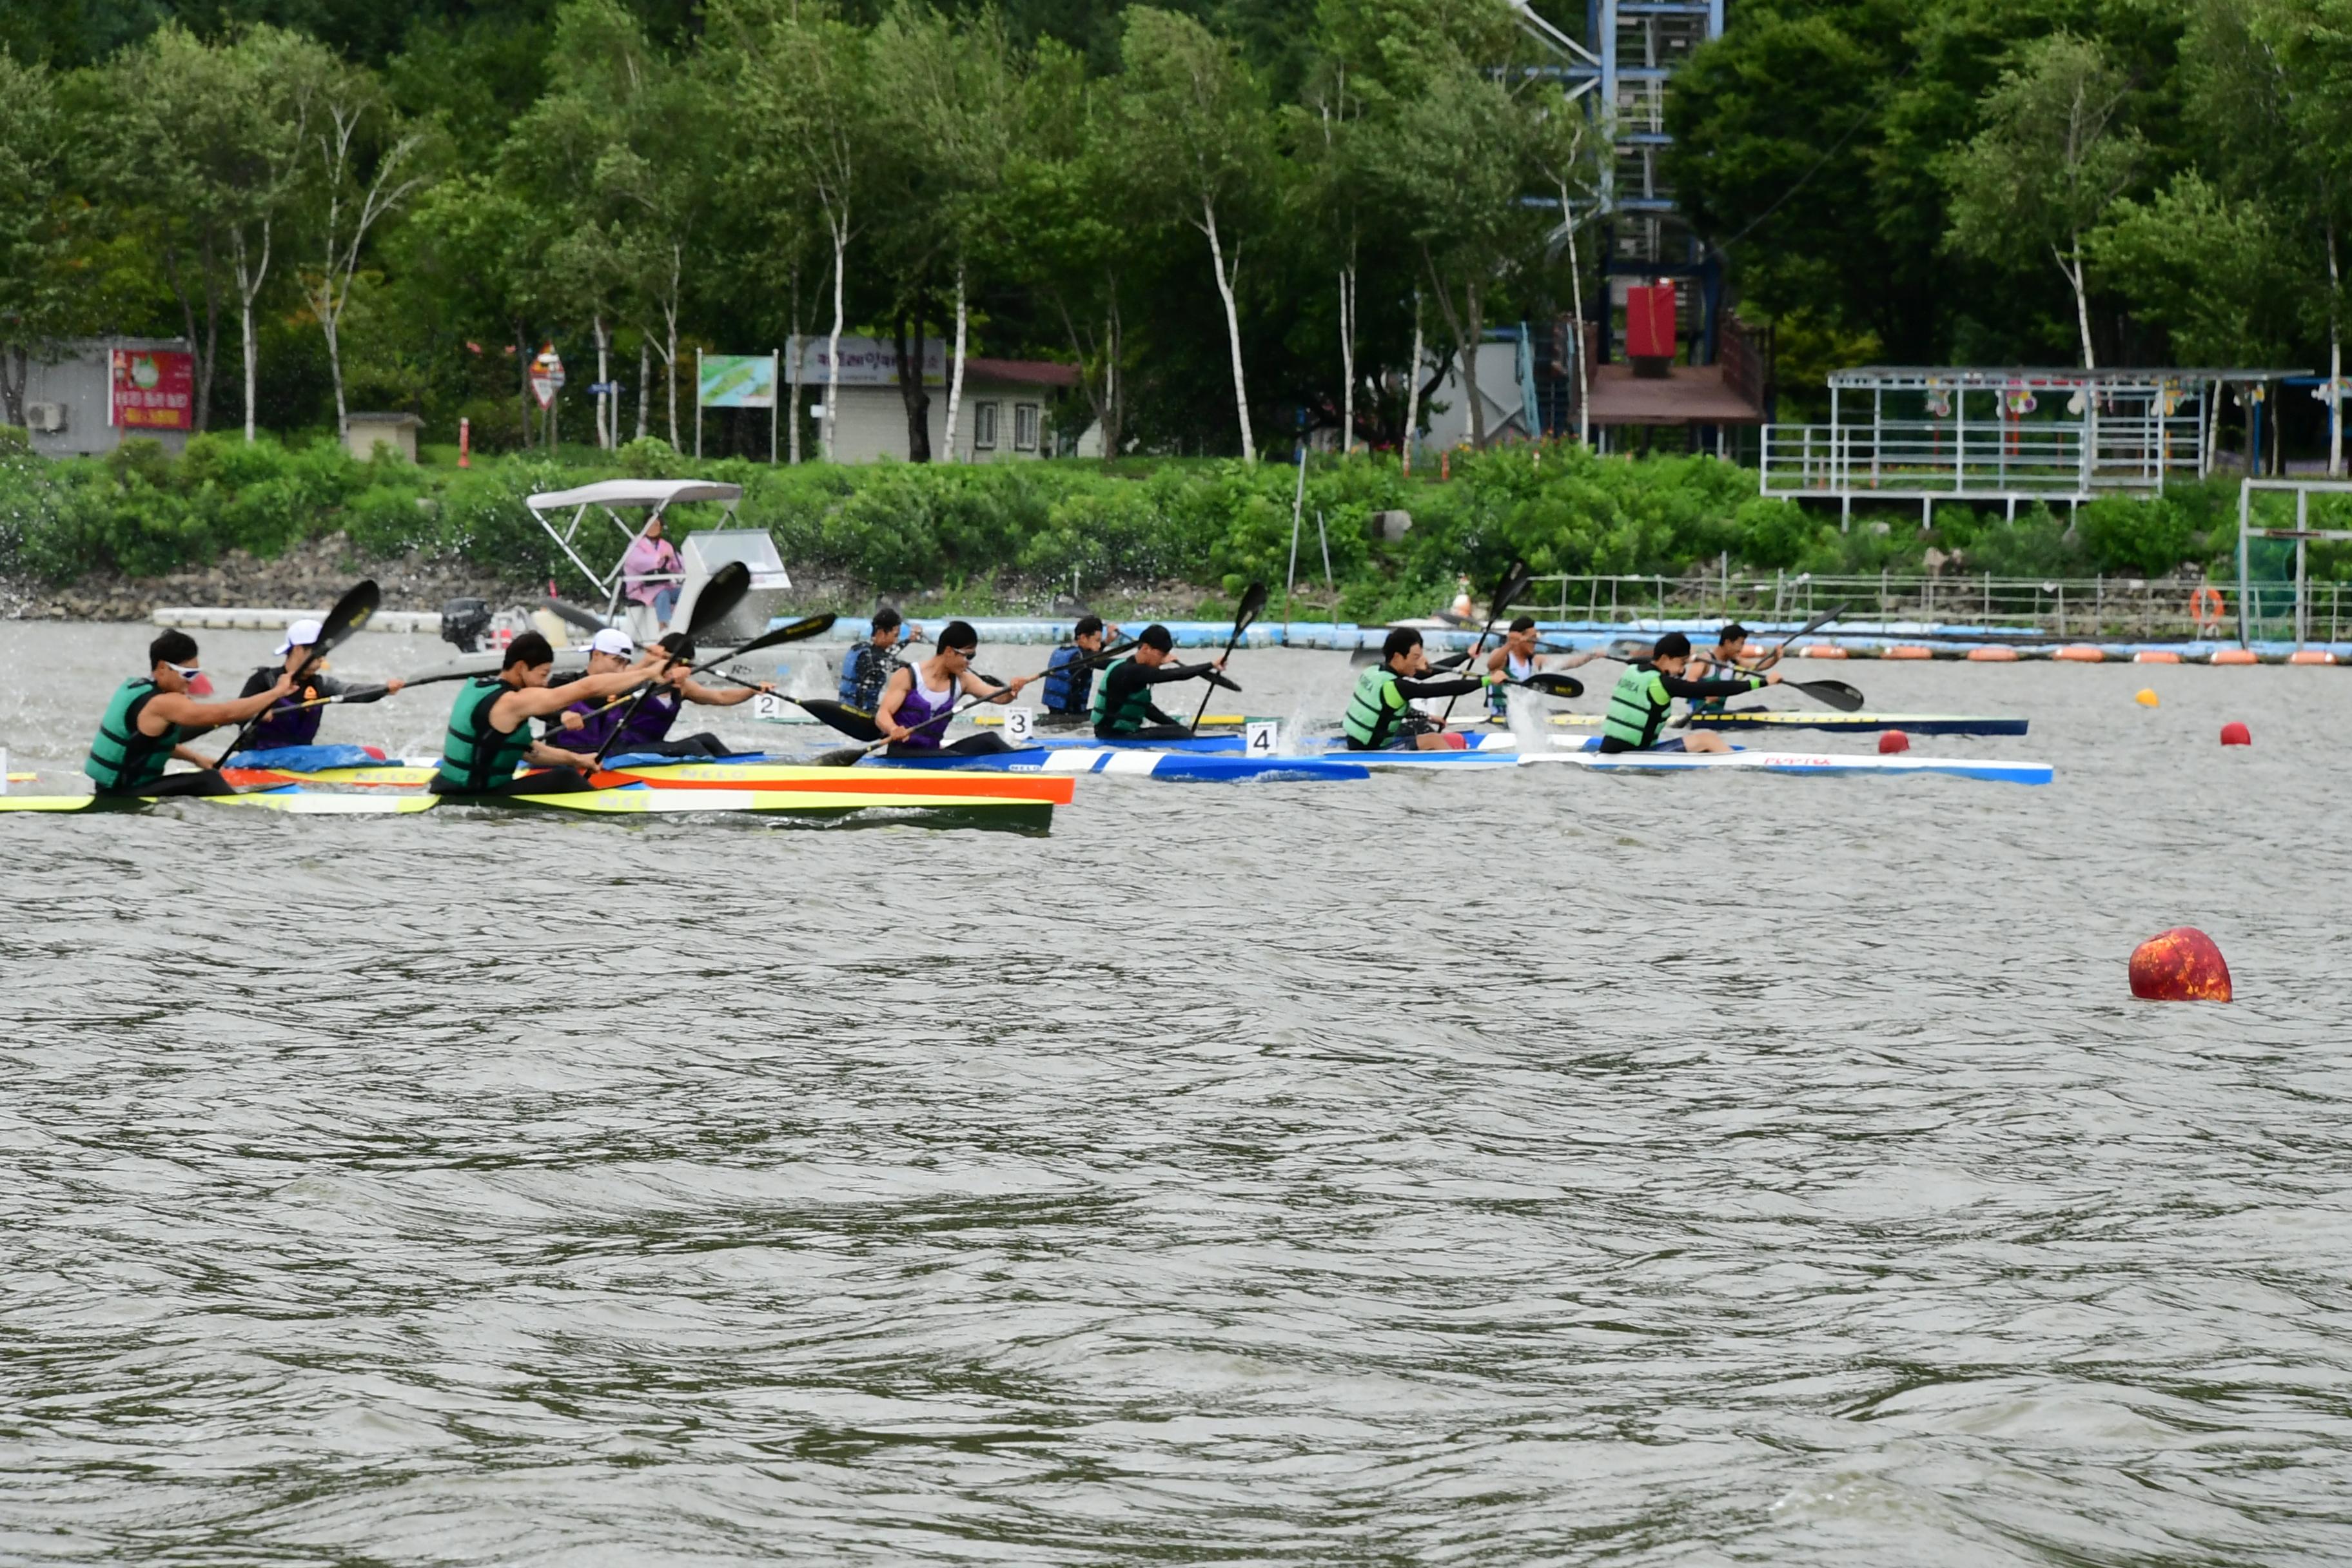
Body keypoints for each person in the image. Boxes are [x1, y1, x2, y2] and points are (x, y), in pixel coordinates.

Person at [429, 631, 660, 795]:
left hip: (448, 786)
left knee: (566, 771)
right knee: (566, 778)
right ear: (521, 668)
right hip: (474, 795)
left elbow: (528, 750)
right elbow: (587, 687)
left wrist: (578, 759)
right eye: (542, 674)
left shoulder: (480, 688)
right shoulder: (513, 701)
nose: (545, 682)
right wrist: (648, 674)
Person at [84, 631, 297, 798]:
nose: (191, 681)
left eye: (195, 673)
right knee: (208, 781)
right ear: (162, 668)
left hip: (112, 788)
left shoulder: (138, 688)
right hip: (122, 795)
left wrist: (197, 759)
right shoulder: (164, 703)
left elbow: (153, 745)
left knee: (206, 773)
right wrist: (276, 692)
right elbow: (223, 714)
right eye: (187, 673)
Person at [564, 631, 772, 760]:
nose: (679, 671)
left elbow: (720, 697)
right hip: (617, 751)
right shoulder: (635, 677)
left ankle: (742, 771)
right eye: (674, 665)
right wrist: (647, 661)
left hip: (653, 748)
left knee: (707, 739)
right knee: (690, 747)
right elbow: (612, 679)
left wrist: (751, 691)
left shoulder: (683, 688)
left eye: (685, 667)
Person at [232, 617, 405, 754]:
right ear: (299, 650)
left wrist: (384, 689)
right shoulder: (263, 680)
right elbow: (235, 714)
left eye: (325, 653)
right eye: (319, 653)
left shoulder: (320, 684)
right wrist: (257, 713)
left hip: (300, 756)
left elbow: (350, 691)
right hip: (258, 758)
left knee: (374, 754)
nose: (323, 658)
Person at [1598, 630, 1781, 754]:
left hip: (1609, 747)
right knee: (1708, 739)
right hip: (1636, 754)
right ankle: (1743, 765)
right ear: (1665, 658)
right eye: (1682, 663)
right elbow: (1712, 688)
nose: (1681, 670)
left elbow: (1649, 659)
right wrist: (1763, 682)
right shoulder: (1662, 683)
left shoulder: (1632, 669)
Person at [873, 621, 1037, 757]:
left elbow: (997, 696)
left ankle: (1024, 765)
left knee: (990, 739)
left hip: (934, 753)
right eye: (968, 656)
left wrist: (1013, 690)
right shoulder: (908, 675)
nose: (969, 663)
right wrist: (894, 729)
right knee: (951, 757)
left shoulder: (963, 680)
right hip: (903, 753)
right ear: (950, 651)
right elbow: (882, 714)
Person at [1344, 628, 1484, 750]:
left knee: (1418, 728)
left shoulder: (1374, 671)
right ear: (1398, 657)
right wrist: (1486, 681)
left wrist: (1467, 655)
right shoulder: (1398, 687)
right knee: (1433, 739)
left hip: (1355, 742)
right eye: (1415, 657)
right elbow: (1445, 689)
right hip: (1371, 751)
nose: (1419, 662)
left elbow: (1385, 710)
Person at [1091, 624, 1228, 741]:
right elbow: (1174, 675)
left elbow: (1148, 710)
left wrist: (1176, 727)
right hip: (1114, 737)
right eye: (1161, 656)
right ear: (1145, 649)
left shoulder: (1129, 667)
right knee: (1180, 733)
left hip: (1115, 734)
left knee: (1179, 731)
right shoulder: (1130, 671)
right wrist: (1211, 664)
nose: (1161, 661)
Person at [1480, 616, 1602, 721]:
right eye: (1533, 637)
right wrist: (1510, 644)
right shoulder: (1503, 656)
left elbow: (1566, 663)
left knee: (1566, 713)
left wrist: (1591, 656)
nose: (1536, 641)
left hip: (1524, 712)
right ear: (1520, 638)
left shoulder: (1535, 660)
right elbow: (1491, 666)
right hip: (1501, 715)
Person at [1682, 622, 1775, 721]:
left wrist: (1776, 658)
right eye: (1741, 644)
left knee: (1761, 710)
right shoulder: (1705, 660)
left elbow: (1758, 667)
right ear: (1728, 643)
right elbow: (1690, 682)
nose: (1741, 649)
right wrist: (1705, 695)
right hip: (1698, 714)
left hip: (1718, 714)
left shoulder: (1734, 661)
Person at [1040, 614, 1118, 726]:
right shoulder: (1080, 658)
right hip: (1071, 720)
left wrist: (1107, 642)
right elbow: (1108, 663)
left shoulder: (1064, 651)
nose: (1098, 645)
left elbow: (1091, 657)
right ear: (1083, 638)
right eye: (1097, 640)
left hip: (1056, 715)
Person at [837, 606, 914, 713]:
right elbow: (902, 666)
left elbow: (888, 655)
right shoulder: (875, 659)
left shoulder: (860, 649)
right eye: (895, 636)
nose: (896, 641)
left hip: (846, 706)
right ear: (881, 633)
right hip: (858, 713)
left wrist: (909, 640)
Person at [620, 514, 683, 629]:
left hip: (664, 585)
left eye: (656, 525)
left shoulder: (666, 545)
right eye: (650, 525)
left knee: (685, 593)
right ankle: (664, 626)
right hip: (641, 588)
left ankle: (687, 623)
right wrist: (658, 558)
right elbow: (638, 562)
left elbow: (678, 564)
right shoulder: (636, 545)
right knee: (662, 594)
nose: (653, 528)